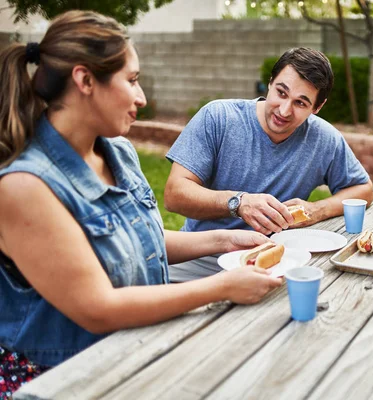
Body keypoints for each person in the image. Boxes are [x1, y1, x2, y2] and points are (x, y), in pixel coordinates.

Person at [0, 11, 281, 395]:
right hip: (65, 380)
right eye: (131, 81)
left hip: (139, 357)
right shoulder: (24, 187)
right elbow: (98, 308)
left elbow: (136, 241)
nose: (141, 98)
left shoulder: (118, 152)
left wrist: (226, 242)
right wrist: (222, 286)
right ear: (84, 80)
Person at [164, 47, 373, 281]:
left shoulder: (324, 138)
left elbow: (363, 190)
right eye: (281, 93)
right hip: (201, 255)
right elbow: (174, 195)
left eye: (300, 103)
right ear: (270, 83)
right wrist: (238, 202)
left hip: (278, 261)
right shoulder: (218, 117)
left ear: (317, 108)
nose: (284, 110)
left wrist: (316, 210)